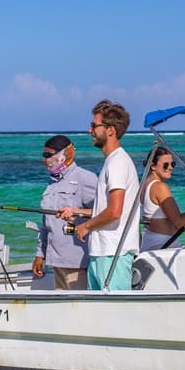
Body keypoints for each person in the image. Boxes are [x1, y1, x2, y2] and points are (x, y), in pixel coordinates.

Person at [58, 100, 140, 291]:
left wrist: (85, 227)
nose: (90, 130)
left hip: (113, 254)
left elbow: (114, 211)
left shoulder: (118, 163)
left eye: (94, 125)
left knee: (115, 316)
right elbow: (107, 209)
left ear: (110, 130)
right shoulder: (112, 162)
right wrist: (77, 211)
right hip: (102, 253)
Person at [32, 135, 97, 290]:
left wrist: (77, 212)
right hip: (55, 260)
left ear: (64, 155)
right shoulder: (52, 183)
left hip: (78, 261)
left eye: (48, 155)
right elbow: (46, 224)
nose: (44, 159)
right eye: (43, 155)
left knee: (79, 309)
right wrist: (40, 254)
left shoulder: (85, 178)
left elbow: (103, 213)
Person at [139, 146, 185, 251]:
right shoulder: (159, 187)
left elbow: (156, 221)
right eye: (166, 165)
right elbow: (178, 222)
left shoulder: (144, 184)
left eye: (172, 164)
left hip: (150, 243)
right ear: (153, 166)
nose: (170, 167)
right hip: (161, 247)